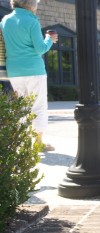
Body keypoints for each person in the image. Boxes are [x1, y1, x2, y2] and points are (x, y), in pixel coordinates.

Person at [1, 0, 56, 151]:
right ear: (30, 5)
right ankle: (38, 142)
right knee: (38, 105)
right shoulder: (32, 21)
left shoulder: (5, 20)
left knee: (22, 106)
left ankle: (24, 140)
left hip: (14, 71)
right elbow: (40, 49)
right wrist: (50, 40)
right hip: (34, 70)